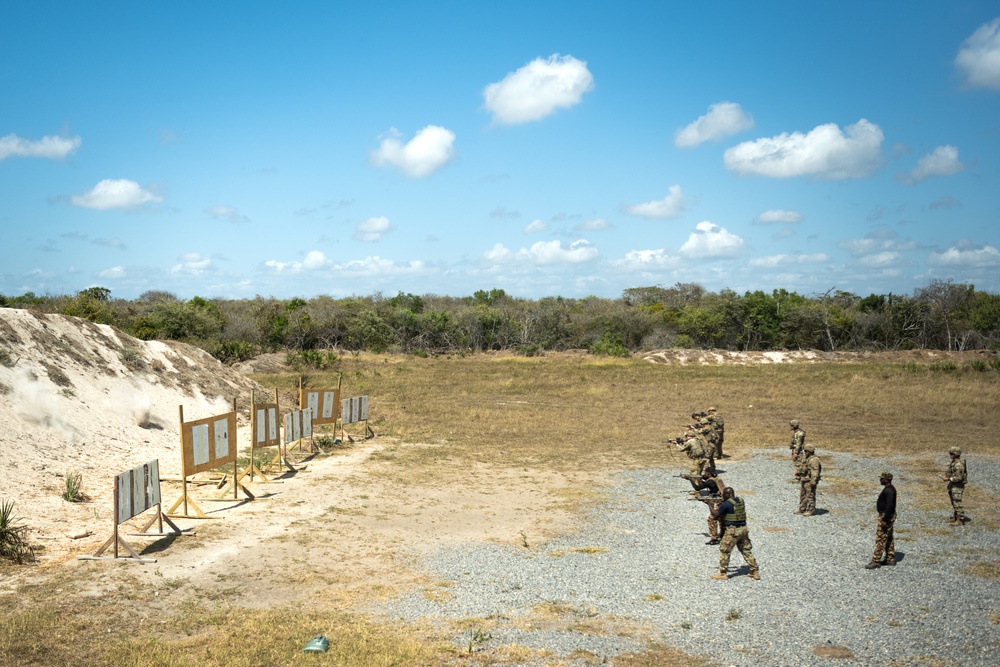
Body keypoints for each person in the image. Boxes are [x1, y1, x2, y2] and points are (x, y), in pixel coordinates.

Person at [708, 487, 759, 580]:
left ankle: (723, 573)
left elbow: (715, 515)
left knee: (725, 550)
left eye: (723, 494)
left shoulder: (726, 504)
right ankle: (754, 571)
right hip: (743, 529)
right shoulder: (740, 501)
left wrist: (709, 504)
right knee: (746, 550)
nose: (722, 496)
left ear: (727, 494)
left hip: (732, 531)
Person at [866, 472, 896, 569]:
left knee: (881, 538)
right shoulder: (889, 489)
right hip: (887, 516)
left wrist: (885, 519)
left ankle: (876, 560)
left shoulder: (889, 491)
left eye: (882, 478)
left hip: (886, 517)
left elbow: (890, 506)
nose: (880, 480)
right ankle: (890, 558)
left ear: (886, 480)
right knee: (889, 538)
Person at [689, 469, 726, 544]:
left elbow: (697, 488)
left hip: (719, 502)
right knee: (721, 519)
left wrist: (690, 479)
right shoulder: (716, 479)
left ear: (709, 474)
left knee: (712, 519)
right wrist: (701, 479)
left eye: (705, 473)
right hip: (723, 501)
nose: (704, 474)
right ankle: (722, 535)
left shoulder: (710, 482)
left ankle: (714, 538)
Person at [940, 446, 968, 525]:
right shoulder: (954, 462)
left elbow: (958, 478)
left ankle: (959, 520)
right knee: (954, 502)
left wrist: (948, 479)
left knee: (957, 503)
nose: (950, 455)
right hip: (953, 486)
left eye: (951, 453)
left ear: (955, 454)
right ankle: (955, 517)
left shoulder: (958, 465)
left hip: (957, 486)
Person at [795, 444, 821, 515]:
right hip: (804, 479)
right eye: (804, 451)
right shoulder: (806, 458)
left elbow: (815, 472)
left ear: (810, 451)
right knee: (803, 495)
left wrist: (813, 482)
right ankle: (802, 509)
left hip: (809, 480)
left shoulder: (814, 460)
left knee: (810, 496)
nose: (805, 452)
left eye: (806, 451)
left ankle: (811, 510)